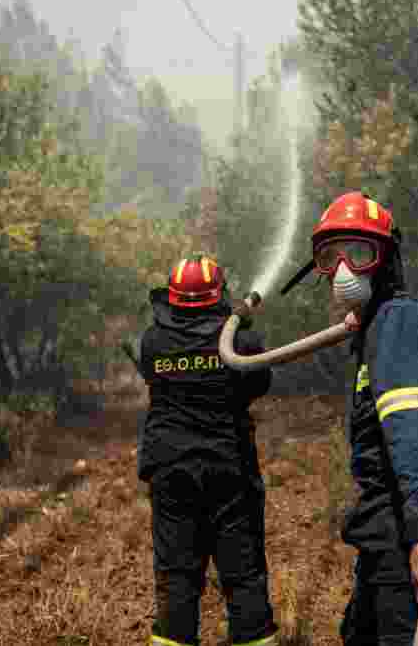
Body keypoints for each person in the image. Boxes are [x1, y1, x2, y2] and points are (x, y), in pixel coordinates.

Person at [282, 191, 418, 646]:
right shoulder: (379, 326)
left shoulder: (398, 323)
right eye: (331, 256)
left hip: (404, 539)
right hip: (383, 539)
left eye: (360, 253)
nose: (344, 270)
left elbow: (416, 432)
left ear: (385, 260)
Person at [135, 255, 278, 646]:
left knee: (177, 576)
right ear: (219, 294)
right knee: (243, 575)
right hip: (228, 471)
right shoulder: (239, 340)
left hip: (172, 472)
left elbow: (154, 377)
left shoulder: (152, 340)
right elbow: (259, 384)